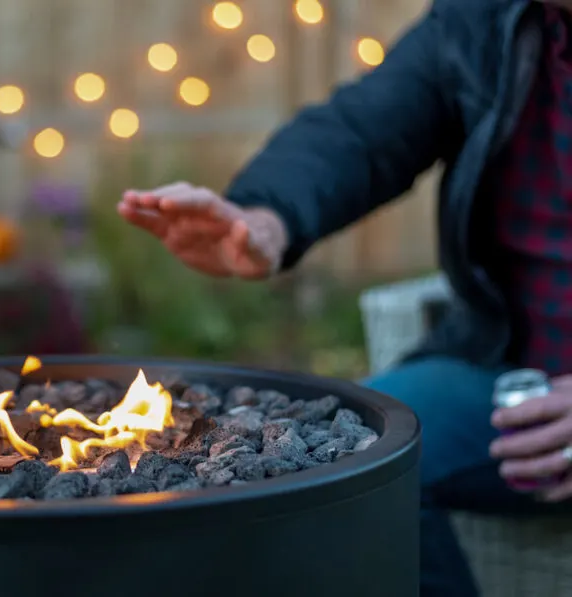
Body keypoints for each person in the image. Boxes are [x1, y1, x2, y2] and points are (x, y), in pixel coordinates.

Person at [119, 0, 572, 595]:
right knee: (362, 450)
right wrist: (262, 220)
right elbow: (360, 131)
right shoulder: (485, 20)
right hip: (510, 375)